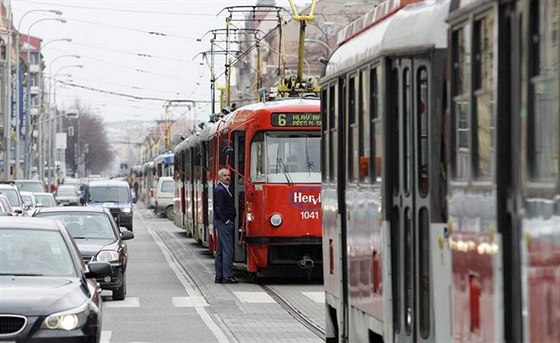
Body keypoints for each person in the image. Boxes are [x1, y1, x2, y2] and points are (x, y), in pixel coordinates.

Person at [213, 168, 238, 284]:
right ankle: (227, 276)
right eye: (225, 176)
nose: (227, 177)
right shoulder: (220, 190)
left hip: (223, 222)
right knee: (228, 249)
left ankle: (219, 275)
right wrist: (226, 220)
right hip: (223, 223)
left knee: (221, 249)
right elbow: (218, 207)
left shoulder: (225, 188)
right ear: (220, 177)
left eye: (228, 175)